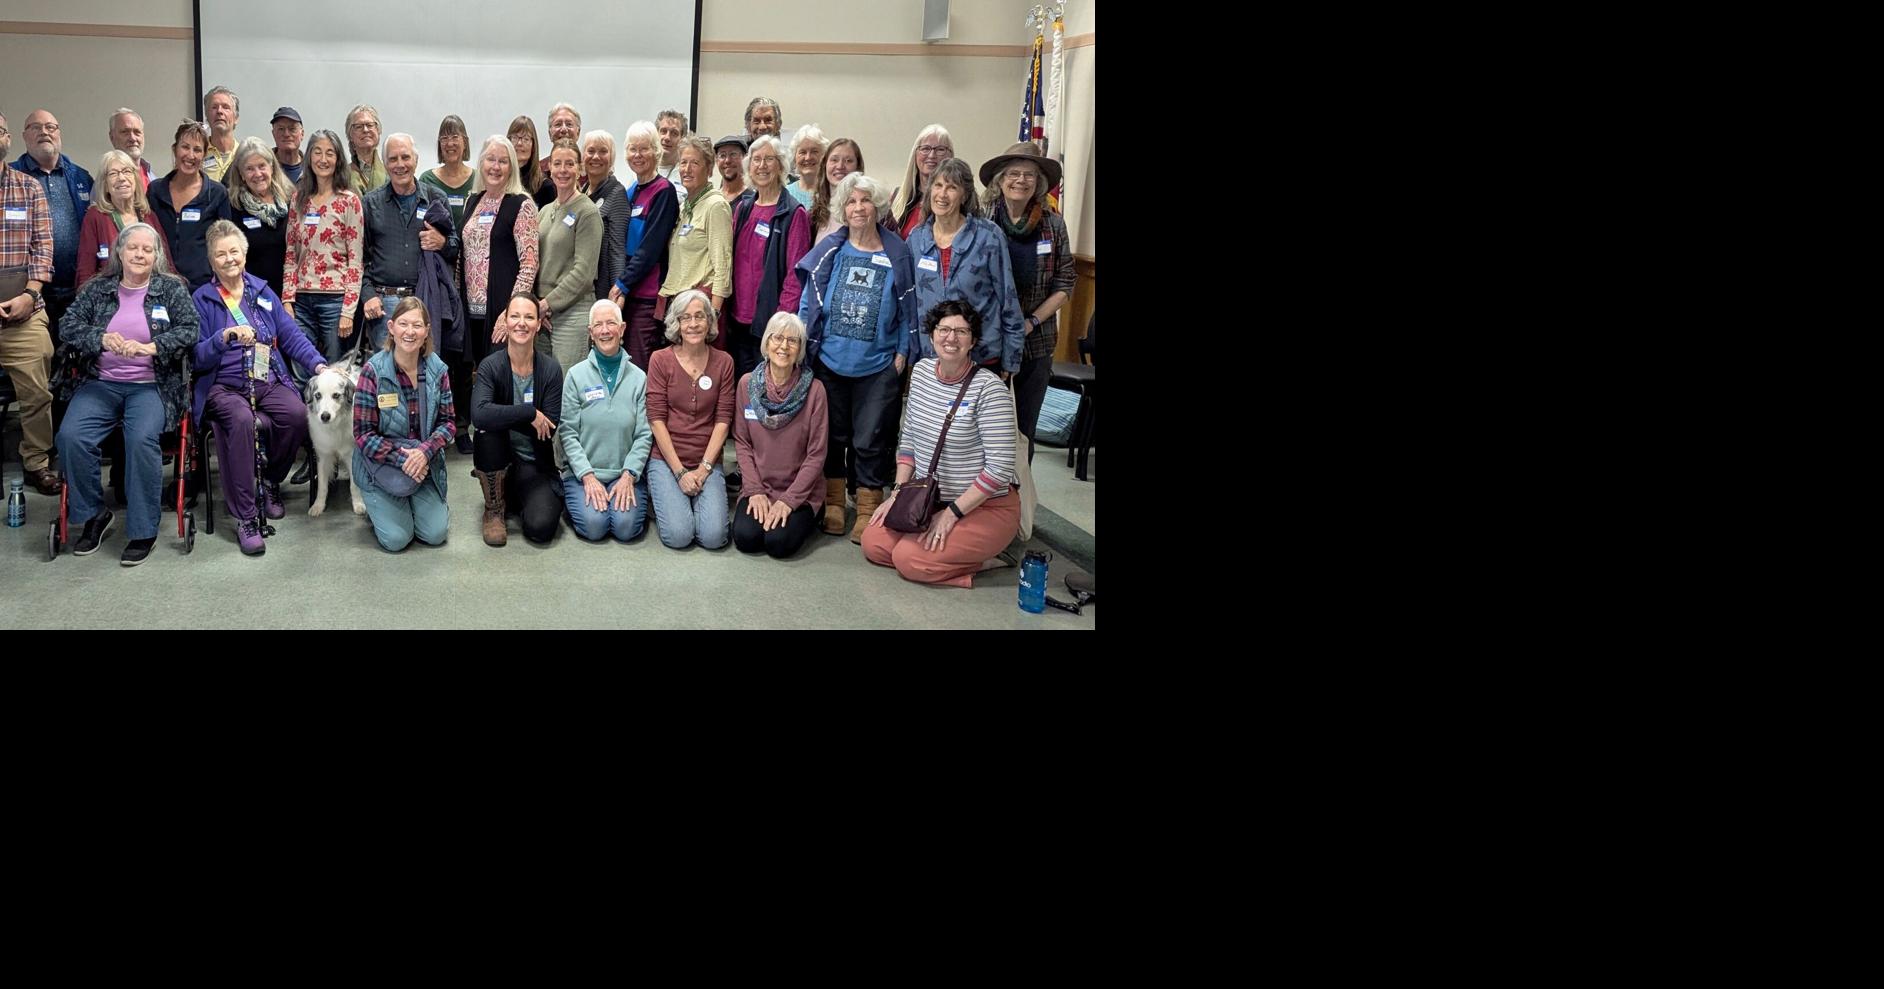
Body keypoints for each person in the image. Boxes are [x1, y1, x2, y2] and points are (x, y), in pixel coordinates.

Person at [54, 223, 197, 566]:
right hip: (100, 382)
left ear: (157, 255)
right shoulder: (98, 288)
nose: (139, 254)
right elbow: (67, 325)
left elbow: (191, 329)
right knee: (71, 436)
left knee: (140, 438)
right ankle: (94, 514)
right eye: (133, 247)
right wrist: (100, 338)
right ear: (119, 251)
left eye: (148, 249)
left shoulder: (171, 289)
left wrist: (152, 347)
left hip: (151, 385)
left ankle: (143, 529)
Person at [794, 172, 918, 542]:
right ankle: (834, 503)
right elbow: (809, 302)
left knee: (870, 439)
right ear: (843, 209)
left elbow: (909, 308)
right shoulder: (831, 250)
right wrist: (803, 345)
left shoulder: (897, 253)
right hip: (830, 360)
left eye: (865, 200)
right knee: (833, 435)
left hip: (878, 365)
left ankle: (867, 508)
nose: (858, 207)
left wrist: (902, 352)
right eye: (851, 201)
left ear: (877, 207)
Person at [190, 219, 327, 554]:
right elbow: (196, 356)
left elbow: (291, 336)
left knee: (296, 414)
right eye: (220, 254)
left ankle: (269, 479)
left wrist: (318, 365)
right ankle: (246, 516)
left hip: (265, 378)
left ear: (245, 253)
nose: (229, 259)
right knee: (241, 421)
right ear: (211, 261)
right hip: (223, 386)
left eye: (234, 251)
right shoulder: (202, 299)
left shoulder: (262, 292)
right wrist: (222, 338)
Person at [861, 300, 1019, 587]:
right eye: (943, 329)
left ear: (973, 340)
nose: (951, 338)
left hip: (985, 507)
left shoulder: (990, 389)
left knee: (909, 560)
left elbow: (1000, 469)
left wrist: (951, 514)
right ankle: (939, 552)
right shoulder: (921, 373)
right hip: (928, 499)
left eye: (961, 331)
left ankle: (985, 561)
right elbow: (908, 441)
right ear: (932, 334)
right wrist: (897, 494)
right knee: (874, 544)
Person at [980, 142, 1073, 451]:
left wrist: (1030, 322)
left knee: (1023, 431)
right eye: (1013, 173)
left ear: (1039, 182)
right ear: (1000, 179)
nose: (1021, 180)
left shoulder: (1053, 224)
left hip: (1037, 340)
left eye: (1029, 174)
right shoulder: (982, 220)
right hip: (988, 340)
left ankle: (1020, 484)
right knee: (983, 427)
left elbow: (1065, 283)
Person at [455, 134, 540, 452]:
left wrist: (510, 313)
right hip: (470, 311)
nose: (496, 166)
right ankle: (483, 448)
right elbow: (463, 256)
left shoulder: (522, 204)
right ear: (480, 163)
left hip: (500, 312)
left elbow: (529, 263)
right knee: (471, 378)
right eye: (490, 159)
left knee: (499, 383)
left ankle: (506, 450)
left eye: (503, 161)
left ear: (512, 166)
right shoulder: (472, 201)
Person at [352, 297, 455, 552]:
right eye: (403, 324)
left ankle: (410, 505)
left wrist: (424, 453)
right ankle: (380, 502)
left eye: (417, 325)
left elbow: (448, 423)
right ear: (391, 327)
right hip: (382, 462)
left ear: (426, 331)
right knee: (397, 539)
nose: (410, 332)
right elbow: (363, 435)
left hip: (422, 461)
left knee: (435, 534)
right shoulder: (372, 371)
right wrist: (403, 459)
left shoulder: (438, 370)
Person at [905, 157, 1024, 378]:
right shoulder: (916, 238)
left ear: (965, 195)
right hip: (931, 357)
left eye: (951, 187)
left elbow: (1008, 299)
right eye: (938, 185)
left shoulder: (988, 236)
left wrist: (1012, 358)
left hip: (982, 357)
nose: (942, 194)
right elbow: (908, 302)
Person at [731, 312, 827, 559]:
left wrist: (789, 500)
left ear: (800, 349)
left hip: (800, 491)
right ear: (767, 342)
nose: (784, 346)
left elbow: (816, 455)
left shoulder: (815, 391)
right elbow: (742, 443)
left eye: (792, 341)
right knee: (746, 538)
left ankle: (815, 514)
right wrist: (755, 490)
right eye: (778, 338)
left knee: (778, 543)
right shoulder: (746, 385)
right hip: (759, 486)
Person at [471, 293, 563, 546]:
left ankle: (516, 499)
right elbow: (479, 415)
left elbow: (549, 428)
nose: (521, 323)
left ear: (538, 324)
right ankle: (494, 508)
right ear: (506, 322)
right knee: (486, 432)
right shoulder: (490, 366)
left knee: (541, 529)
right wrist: (529, 413)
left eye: (529, 317)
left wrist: (502, 416)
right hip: (498, 459)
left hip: (534, 463)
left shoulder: (551, 369)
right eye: (515, 316)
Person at [643, 289, 732, 549]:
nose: (693, 324)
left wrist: (704, 469)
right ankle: (663, 495)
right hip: (667, 460)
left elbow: (723, 420)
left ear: (709, 321)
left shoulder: (724, 362)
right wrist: (680, 472)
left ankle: (685, 500)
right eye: (686, 317)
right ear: (676, 323)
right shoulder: (660, 360)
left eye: (700, 316)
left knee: (714, 538)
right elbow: (656, 419)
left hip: (707, 459)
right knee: (679, 536)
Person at [558, 298, 650, 542]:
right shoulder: (576, 376)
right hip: (584, 474)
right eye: (598, 325)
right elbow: (568, 432)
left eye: (611, 323)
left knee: (625, 529)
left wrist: (629, 475)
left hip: (624, 473)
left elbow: (644, 434)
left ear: (622, 329)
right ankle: (576, 501)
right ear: (590, 332)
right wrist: (587, 476)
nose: (605, 330)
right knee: (594, 527)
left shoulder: (639, 378)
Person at [0, 134, 60, 496]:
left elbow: (43, 247)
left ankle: (37, 460)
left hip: (24, 309)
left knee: (38, 384)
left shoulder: (29, 187)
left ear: (7, 139)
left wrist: (30, 294)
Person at [361, 132, 458, 350]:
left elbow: (455, 248)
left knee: (425, 366)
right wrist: (368, 295)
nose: (400, 165)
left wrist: (442, 242)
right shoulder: (370, 203)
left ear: (416, 160)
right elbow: (360, 258)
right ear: (385, 164)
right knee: (386, 369)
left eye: (405, 157)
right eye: (393, 159)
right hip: (383, 306)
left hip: (425, 302)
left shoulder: (436, 198)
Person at [725, 134, 808, 379]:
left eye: (769, 159)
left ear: (781, 166)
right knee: (741, 386)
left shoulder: (793, 213)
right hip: (736, 319)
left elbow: (795, 275)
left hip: (769, 324)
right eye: (756, 159)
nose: (762, 165)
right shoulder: (743, 208)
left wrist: (780, 324)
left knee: (765, 388)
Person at [282, 129, 363, 367]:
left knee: (333, 372)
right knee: (301, 367)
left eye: (330, 153)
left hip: (335, 300)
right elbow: (290, 254)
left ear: (338, 159)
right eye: (317, 152)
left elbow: (356, 260)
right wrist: (287, 299)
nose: (323, 159)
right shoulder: (298, 199)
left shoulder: (349, 201)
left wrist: (348, 310)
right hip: (301, 300)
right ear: (309, 157)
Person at [9, 109, 96, 330]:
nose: (44, 132)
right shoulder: (10, 177)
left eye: (50, 127)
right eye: (35, 127)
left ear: (59, 134)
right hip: (27, 292)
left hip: (75, 287)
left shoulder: (81, 177)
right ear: (24, 136)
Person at [604, 121, 678, 371]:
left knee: (639, 365)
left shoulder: (663, 191)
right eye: (633, 149)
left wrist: (622, 285)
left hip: (646, 297)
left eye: (644, 148)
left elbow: (649, 249)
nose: (638, 155)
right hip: (626, 293)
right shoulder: (631, 190)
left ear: (656, 151)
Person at [533, 139, 601, 372]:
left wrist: (547, 304)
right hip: (542, 315)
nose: (563, 170)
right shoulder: (544, 212)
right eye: (558, 163)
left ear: (580, 169)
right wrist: (539, 306)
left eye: (570, 164)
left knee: (567, 383)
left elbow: (584, 273)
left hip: (572, 314)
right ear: (549, 168)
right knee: (544, 384)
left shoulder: (587, 212)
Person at [657, 136, 731, 348]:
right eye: (683, 162)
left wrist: (713, 315)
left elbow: (723, 267)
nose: (687, 169)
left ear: (709, 169)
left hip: (700, 312)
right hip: (679, 306)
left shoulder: (715, 206)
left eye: (695, 163)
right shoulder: (685, 206)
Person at [147, 120, 232, 289]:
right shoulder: (155, 191)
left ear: (204, 154)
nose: (191, 155)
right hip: (160, 285)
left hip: (203, 287)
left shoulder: (217, 193)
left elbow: (226, 242)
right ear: (175, 149)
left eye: (197, 150)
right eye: (185, 147)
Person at [220, 137, 292, 296]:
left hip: (291, 296)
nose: (258, 174)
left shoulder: (291, 199)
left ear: (272, 167)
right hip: (252, 294)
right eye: (249, 169)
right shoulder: (232, 206)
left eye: (262, 166)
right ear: (241, 174)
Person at [77, 150, 159, 286]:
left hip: (150, 293)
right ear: (105, 185)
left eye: (127, 171)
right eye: (113, 174)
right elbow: (85, 270)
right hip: (108, 295)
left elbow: (165, 263)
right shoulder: (95, 217)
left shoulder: (148, 215)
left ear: (135, 179)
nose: (121, 178)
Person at [579, 128, 630, 307]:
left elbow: (618, 249)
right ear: (583, 156)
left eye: (603, 151)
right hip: (580, 289)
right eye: (591, 151)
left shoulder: (617, 193)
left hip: (602, 290)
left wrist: (618, 291)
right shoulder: (582, 192)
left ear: (612, 158)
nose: (596, 157)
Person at [890, 124, 952, 240]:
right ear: (915, 153)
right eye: (925, 149)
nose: (932, 155)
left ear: (950, 156)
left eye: (940, 149)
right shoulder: (898, 197)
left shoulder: (955, 200)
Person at [419, 115, 475, 230]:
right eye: (444, 138)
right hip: (436, 241)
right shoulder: (426, 180)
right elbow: (419, 219)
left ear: (465, 142)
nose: (449, 143)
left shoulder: (478, 179)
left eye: (455, 137)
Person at [807, 137, 863, 244]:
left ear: (858, 167)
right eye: (834, 160)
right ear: (825, 165)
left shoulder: (870, 210)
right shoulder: (815, 214)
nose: (840, 166)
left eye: (848, 161)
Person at [507, 115, 555, 207]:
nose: (519, 143)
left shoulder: (545, 187)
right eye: (515, 138)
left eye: (526, 139)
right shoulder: (500, 181)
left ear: (533, 145)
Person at [200, 86, 242, 182]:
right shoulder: (197, 154)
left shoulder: (244, 154)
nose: (219, 111)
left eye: (226, 107)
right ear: (207, 117)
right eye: (214, 107)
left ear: (236, 118)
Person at [107, 108, 156, 187]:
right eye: (125, 132)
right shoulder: (104, 182)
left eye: (137, 132)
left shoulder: (153, 180)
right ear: (112, 137)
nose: (133, 138)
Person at [345, 104, 388, 193]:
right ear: (350, 135)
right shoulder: (342, 175)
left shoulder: (391, 172)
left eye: (370, 125)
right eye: (359, 126)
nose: (365, 130)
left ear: (378, 131)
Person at [653, 109, 688, 211]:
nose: (667, 138)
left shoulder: (687, 173)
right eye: (663, 131)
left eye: (674, 133)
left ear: (682, 139)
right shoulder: (642, 170)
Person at [785, 123, 825, 208]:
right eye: (802, 152)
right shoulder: (785, 194)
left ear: (823, 156)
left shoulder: (831, 193)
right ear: (794, 157)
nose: (808, 157)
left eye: (814, 151)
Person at [268, 107, 304, 183]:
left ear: (302, 134)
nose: (286, 134)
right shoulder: (263, 168)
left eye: (292, 129)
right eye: (281, 129)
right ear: (273, 134)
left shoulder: (312, 168)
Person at [713, 134, 748, 202]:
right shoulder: (713, 199)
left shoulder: (753, 199)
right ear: (716, 161)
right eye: (722, 155)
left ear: (745, 158)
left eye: (733, 154)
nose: (727, 161)